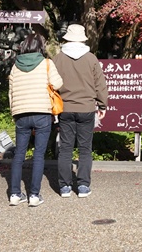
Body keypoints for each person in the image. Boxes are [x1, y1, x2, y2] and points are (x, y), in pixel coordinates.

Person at [52, 24, 109, 198]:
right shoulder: (91, 59)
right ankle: (83, 186)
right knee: (85, 149)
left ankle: (65, 187)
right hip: (86, 108)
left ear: (67, 39)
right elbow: (100, 84)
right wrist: (102, 105)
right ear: (83, 39)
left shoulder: (57, 59)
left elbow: (51, 84)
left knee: (65, 148)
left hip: (65, 108)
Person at [8, 32, 63, 207]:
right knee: (39, 154)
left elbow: (11, 92)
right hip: (41, 112)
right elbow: (58, 84)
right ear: (40, 47)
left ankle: (15, 194)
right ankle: (34, 195)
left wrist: (14, 112)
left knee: (19, 154)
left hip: (21, 114)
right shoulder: (46, 63)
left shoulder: (15, 66)